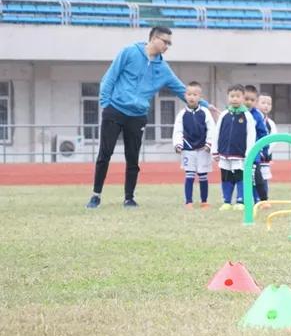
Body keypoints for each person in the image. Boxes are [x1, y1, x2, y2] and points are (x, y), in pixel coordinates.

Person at [86, 26, 216, 209]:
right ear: (154, 38)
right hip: (114, 110)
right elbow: (110, 77)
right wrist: (105, 103)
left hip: (137, 116)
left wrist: (205, 105)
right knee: (104, 154)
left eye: (169, 43)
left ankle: (129, 198)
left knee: (133, 158)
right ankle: (96, 195)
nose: (167, 46)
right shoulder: (129, 52)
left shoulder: (163, 69)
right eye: (165, 42)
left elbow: (182, 90)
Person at [172, 81, 216, 209]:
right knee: (189, 175)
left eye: (195, 94)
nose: (192, 97)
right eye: (189, 94)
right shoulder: (182, 114)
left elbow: (211, 129)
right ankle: (188, 202)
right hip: (188, 150)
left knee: (203, 175)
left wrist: (209, 144)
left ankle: (204, 201)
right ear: (185, 95)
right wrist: (178, 144)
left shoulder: (205, 112)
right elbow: (178, 130)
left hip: (203, 149)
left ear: (200, 97)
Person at [212, 85, 255, 211]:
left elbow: (251, 135)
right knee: (226, 177)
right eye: (232, 96)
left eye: (238, 96)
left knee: (240, 177)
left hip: (240, 155)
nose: (235, 99)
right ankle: (226, 201)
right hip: (224, 154)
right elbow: (217, 132)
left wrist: (248, 153)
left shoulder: (247, 116)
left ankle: (240, 201)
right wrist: (215, 150)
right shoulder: (224, 114)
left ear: (243, 98)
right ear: (228, 97)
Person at [242, 85, 270, 204]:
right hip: (238, 153)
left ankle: (263, 199)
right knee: (239, 178)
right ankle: (241, 200)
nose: (249, 102)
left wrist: (264, 149)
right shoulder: (236, 113)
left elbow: (263, 134)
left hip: (254, 154)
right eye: (246, 99)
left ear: (256, 101)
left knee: (257, 177)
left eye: (252, 100)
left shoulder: (257, 115)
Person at [257, 92, 276, 199]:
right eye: (263, 103)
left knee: (264, 178)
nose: (266, 106)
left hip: (265, 157)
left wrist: (265, 152)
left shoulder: (270, 123)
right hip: (252, 156)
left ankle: (264, 200)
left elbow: (273, 140)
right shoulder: (252, 119)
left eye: (269, 104)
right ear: (257, 103)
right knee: (251, 177)